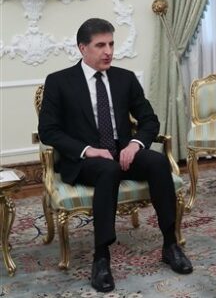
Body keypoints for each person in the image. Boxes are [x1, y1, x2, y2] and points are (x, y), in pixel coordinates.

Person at [38, 18, 192, 292]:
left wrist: (135, 144)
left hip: (122, 152)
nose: (108, 51)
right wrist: (88, 150)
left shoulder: (125, 78)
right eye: (100, 45)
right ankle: (101, 258)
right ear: (83, 48)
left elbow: (149, 120)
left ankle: (170, 245)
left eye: (111, 44)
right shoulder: (59, 81)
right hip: (84, 161)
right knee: (107, 169)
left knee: (157, 162)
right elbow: (48, 131)